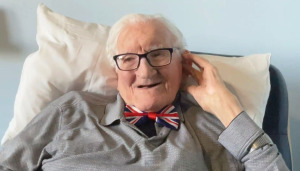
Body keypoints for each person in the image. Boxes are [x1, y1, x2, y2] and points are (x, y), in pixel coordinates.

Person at [0, 14, 289, 171]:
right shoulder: (71, 111)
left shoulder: (211, 127)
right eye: (128, 59)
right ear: (116, 71)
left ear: (183, 63)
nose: (145, 71)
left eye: (159, 54)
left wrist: (226, 106)